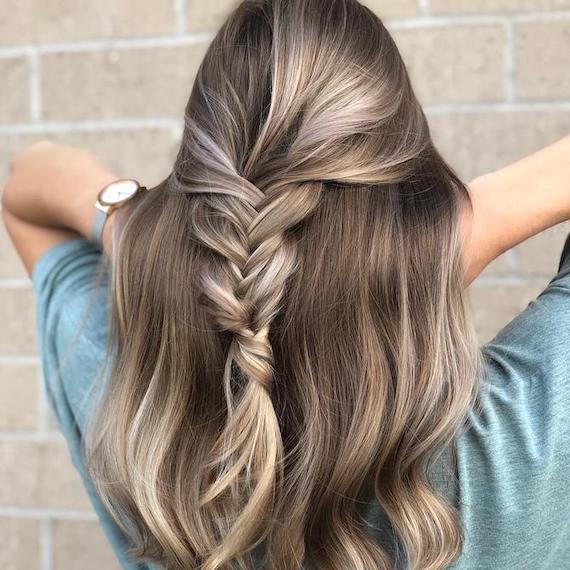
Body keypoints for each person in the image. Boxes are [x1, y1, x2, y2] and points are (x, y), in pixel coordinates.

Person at [2, 0, 570, 568]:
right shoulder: (525, 434)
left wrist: (135, 233)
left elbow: (29, 183)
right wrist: (463, 228)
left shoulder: (133, 416)